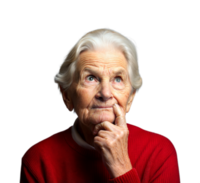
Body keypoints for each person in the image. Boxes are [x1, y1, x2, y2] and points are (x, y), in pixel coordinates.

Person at [18, 27, 181, 183]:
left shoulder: (160, 152)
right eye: (91, 78)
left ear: (131, 97)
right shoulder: (38, 159)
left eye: (117, 79)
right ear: (67, 95)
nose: (105, 93)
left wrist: (121, 167)